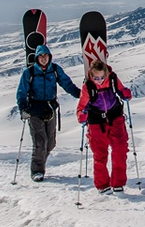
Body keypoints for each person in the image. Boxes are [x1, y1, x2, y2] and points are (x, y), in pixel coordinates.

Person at [16, 44, 81, 182]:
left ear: (49, 57)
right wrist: (22, 108)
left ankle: (40, 161)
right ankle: (37, 170)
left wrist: (81, 95)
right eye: (41, 56)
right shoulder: (30, 72)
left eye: (46, 56)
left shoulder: (55, 70)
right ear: (37, 58)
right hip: (34, 110)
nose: (43, 58)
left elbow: (67, 84)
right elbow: (21, 91)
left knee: (50, 143)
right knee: (40, 141)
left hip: (50, 109)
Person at [76, 59, 133, 193]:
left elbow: (121, 90)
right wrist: (81, 116)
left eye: (102, 77)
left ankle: (118, 182)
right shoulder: (88, 87)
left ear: (106, 73)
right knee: (100, 153)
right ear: (91, 75)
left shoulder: (112, 79)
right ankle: (102, 184)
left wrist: (126, 94)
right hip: (96, 121)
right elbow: (81, 106)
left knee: (120, 148)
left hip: (115, 116)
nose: (100, 80)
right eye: (96, 78)